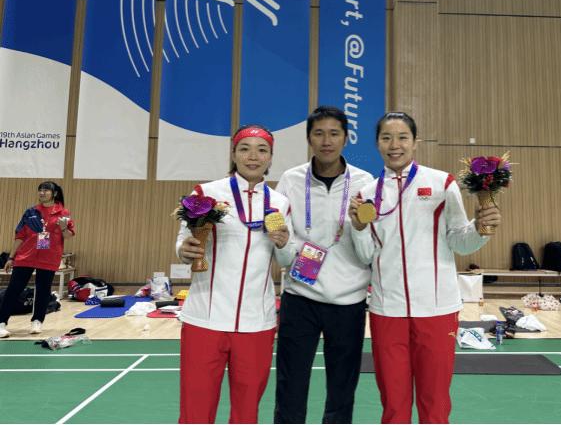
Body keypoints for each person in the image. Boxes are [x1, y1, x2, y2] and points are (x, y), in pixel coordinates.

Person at [348, 112, 501, 424]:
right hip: (386, 311)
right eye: (386, 138)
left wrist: (481, 229)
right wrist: (359, 228)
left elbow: (460, 243)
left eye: (402, 137)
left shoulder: (441, 183)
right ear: (377, 143)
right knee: (393, 404)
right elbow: (365, 256)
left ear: (415, 142)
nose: (394, 145)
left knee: (435, 405)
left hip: (437, 310)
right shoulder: (366, 195)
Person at [176, 124, 294, 424]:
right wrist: (184, 250)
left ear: (271, 157)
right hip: (205, 318)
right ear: (233, 154)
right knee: (195, 412)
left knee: (246, 413)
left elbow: (285, 258)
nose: (253, 156)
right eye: (245, 149)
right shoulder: (207, 193)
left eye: (262, 150)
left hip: (256, 322)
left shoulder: (280, 203)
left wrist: (284, 244)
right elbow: (184, 241)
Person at [273, 106, 375, 424]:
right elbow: (281, 250)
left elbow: (369, 254)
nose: (326, 141)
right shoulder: (290, 181)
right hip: (299, 299)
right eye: (319, 133)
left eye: (334, 133)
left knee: (342, 391)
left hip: (349, 302)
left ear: (346, 138)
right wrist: (284, 248)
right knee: (289, 387)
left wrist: (359, 228)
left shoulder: (365, 183)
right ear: (308, 139)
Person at [0, 182, 75, 338]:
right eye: (40, 190)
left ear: (54, 193)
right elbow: (20, 236)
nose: (42, 193)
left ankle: (37, 321)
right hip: (26, 256)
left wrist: (63, 227)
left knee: (43, 290)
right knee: (13, 289)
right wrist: (11, 257)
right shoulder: (31, 212)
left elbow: (68, 235)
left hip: (49, 258)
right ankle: (1, 323)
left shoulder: (63, 212)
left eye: (46, 190)